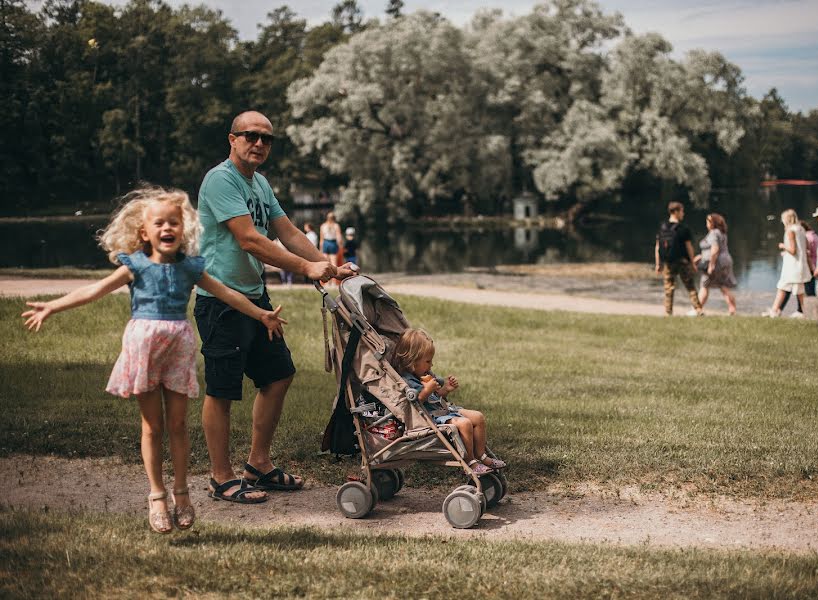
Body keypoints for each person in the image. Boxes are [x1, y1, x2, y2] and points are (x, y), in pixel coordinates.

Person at [21, 186, 287, 532]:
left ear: (183, 228)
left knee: (177, 426)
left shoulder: (191, 268)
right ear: (144, 232)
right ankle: (157, 495)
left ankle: (182, 493)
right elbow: (94, 290)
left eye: (174, 222)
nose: (167, 228)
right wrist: (53, 305)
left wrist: (261, 314)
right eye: (159, 223)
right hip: (144, 350)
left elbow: (227, 294)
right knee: (152, 426)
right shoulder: (135, 266)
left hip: (177, 350)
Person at [196, 111, 356, 504]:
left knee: (279, 375)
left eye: (267, 139)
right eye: (251, 136)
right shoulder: (221, 180)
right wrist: (305, 268)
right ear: (231, 139)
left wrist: (328, 267)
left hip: (256, 298)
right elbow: (249, 239)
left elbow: (286, 232)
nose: (260, 144)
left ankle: (258, 464)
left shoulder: (260, 183)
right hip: (221, 301)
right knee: (222, 390)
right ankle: (221, 476)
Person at [390, 328, 507, 476]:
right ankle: (470, 462)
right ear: (412, 360)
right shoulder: (407, 380)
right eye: (428, 361)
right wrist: (426, 391)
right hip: (430, 417)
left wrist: (446, 389)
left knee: (478, 417)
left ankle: (481, 455)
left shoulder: (423, 374)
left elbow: (437, 395)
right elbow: (415, 401)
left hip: (444, 409)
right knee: (464, 423)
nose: (431, 366)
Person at [655, 201, 703, 316]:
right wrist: (693, 263)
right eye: (682, 211)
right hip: (682, 262)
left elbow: (657, 247)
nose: (683, 213)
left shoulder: (662, 227)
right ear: (675, 212)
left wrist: (658, 264)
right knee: (690, 286)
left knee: (668, 288)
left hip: (667, 262)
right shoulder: (683, 229)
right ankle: (698, 309)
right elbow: (689, 247)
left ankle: (668, 312)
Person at [762, 209, 811, 318]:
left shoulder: (790, 231)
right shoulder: (801, 229)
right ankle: (775, 311)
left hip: (793, 267)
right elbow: (805, 247)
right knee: (784, 287)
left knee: (798, 291)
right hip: (799, 265)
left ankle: (807, 314)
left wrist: (783, 247)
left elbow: (793, 250)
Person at [693, 213, 738, 315]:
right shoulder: (721, 233)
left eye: (708, 221)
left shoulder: (713, 233)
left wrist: (711, 265)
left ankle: (697, 310)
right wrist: (700, 257)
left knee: (704, 285)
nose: (706, 224)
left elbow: (715, 249)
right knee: (723, 286)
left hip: (716, 262)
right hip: (725, 261)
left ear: (713, 223)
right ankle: (732, 309)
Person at [777, 220, 818, 317]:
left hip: (808, 267)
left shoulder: (807, 237)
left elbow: (805, 254)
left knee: (807, 292)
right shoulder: (814, 236)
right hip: (810, 266)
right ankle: (805, 312)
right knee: (803, 291)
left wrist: (812, 268)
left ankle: (811, 313)